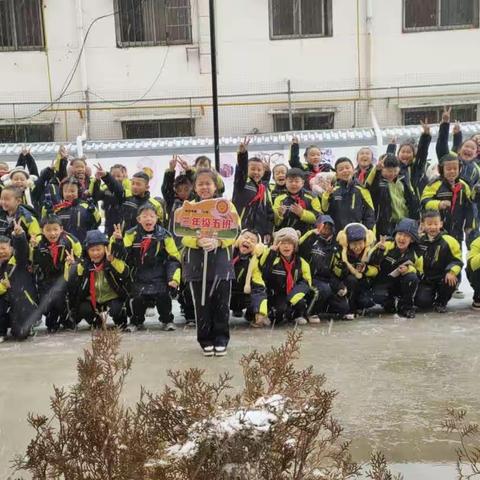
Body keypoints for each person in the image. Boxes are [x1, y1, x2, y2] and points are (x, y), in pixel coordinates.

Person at [182, 169, 238, 357]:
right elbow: (181, 235)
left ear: (216, 186)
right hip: (197, 263)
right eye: (200, 184)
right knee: (202, 303)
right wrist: (197, 241)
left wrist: (219, 241)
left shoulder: (227, 206)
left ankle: (221, 338)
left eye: (208, 183)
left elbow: (234, 231)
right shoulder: (188, 208)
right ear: (195, 187)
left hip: (221, 262)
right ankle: (205, 339)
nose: (204, 187)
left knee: (222, 302)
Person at [113, 204, 181, 332]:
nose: (148, 219)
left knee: (163, 296)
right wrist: (118, 242)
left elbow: (174, 259)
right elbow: (123, 256)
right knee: (137, 298)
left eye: (151, 216)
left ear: (156, 218)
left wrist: (173, 278)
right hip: (138, 275)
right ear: (139, 219)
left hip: (159, 275)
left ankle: (167, 320)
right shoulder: (130, 234)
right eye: (144, 216)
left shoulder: (165, 235)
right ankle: (135, 321)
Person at [66, 229, 130, 329]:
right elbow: (73, 281)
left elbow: (125, 273)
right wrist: (71, 266)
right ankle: (97, 321)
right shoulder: (84, 264)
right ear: (87, 251)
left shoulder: (111, 260)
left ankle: (120, 321)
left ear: (105, 249)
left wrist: (112, 261)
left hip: (111, 296)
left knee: (117, 309)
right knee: (84, 309)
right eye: (92, 250)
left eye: (98, 249)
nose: (96, 253)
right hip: (93, 298)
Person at [31, 215, 82, 332]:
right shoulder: (37, 241)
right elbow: (32, 261)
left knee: (61, 300)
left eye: (55, 229)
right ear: (42, 230)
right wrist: (34, 249)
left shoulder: (71, 240)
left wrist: (73, 262)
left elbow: (81, 258)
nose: (52, 233)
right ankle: (52, 321)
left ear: (61, 229)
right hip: (45, 278)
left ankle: (67, 319)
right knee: (46, 303)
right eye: (48, 230)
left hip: (64, 277)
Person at [299, 215, 350, 321]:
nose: (326, 230)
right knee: (324, 290)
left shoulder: (336, 247)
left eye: (328, 228)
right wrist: (312, 234)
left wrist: (340, 284)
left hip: (326, 279)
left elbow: (337, 273)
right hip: (309, 278)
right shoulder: (311, 239)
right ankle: (310, 313)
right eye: (323, 227)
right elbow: (299, 249)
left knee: (344, 307)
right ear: (318, 227)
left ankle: (324, 308)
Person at [259, 227, 312, 326]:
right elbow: (264, 274)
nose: (286, 246)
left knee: (300, 302)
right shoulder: (274, 259)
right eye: (283, 243)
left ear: (294, 246)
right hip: (276, 295)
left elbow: (306, 281)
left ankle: (297, 315)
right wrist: (271, 254)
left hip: (292, 293)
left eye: (289, 243)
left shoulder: (300, 262)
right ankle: (273, 315)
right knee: (279, 311)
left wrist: (293, 296)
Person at [370, 218, 421, 318]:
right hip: (384, 282)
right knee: (379, 297)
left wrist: (409, 269)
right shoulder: (386, 244)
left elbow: (420, 272)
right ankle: (388, 303)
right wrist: (379, 251)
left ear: (412, 239)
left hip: (401, 284)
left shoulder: (415, 253)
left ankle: (406, 307)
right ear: (395, 235)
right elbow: (371, 262)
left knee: (412, 278)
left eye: (406, 236)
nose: (402, 238)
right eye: (400, 234)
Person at [415, 210, 463, 313]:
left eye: (436, 224)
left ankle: (441, 302)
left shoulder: (449, 240)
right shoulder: (419, 241)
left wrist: (451, 271)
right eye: (429, 224)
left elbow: (458, 260)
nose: (432, 227)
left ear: (441, 224)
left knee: (450, 280)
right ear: (423, 225)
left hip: (443, 277)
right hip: (427, 279)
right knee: (421, 303)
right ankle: (429, 296)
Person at [421, 152, 474, 245]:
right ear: (441, 170)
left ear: (460, 169)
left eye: (455, 168)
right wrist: (438, 204)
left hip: (457, 229)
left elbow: (469, 207)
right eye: (448, 169)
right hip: (437, 228)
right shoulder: (434, 185)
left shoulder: (463, 186)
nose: (452, 171)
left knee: (456, 251)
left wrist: (469, 225)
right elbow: (424, 202)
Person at [0, 220, 40, 341]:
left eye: (3, 248)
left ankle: (26, 324)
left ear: (11, 249)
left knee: (21, 334)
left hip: (21, 303)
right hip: (4, 303)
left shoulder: (19, 261)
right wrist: (2, 286)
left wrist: (19, 235)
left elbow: (22, 250)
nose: (1, 252)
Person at [366, 154, 419, 237]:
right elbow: (368, 186)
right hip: (386, 224)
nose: (392, 174)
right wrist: (376, 170)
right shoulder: (378, 182)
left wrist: (417, 218)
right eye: (389, 171)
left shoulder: (403, 180)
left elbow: (412, 199)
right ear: (382, 169)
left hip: (405, 221)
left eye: (395, 171)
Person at [233, 138, 274, 243]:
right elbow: (241, 171)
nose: (256, 172)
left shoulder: (264, 189)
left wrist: (268, 231)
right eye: (253, 169)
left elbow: (269, 212)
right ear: (247, 169)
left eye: (259, 170)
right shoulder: (242, 183)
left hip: (258, 233)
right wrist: (243, 155)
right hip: (240, 229)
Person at [332, 223, 377, 315]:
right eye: (354, 244)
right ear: (347, 243)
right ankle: (350, 307)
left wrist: (366, 270)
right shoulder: (339, 253)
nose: (357, 247)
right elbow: (334, 273)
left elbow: (376, 270)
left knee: (367, 302)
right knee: (351, 280)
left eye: (360, 243)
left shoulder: (370, 252)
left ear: (366, 241)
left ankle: (360, 303)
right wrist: (345, 268)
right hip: (346, 284)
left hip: (363, 284)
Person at [322, 157, 375, 232]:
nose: (345, 171)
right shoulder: (333, 191)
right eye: (341, 169)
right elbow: (325, 210)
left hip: (358, 234)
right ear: (336, 174)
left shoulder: (362, 189)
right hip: (339, 234)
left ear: (353, 170)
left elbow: (370, 213)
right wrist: (327, 195)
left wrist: (369, 232)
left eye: (347, 168)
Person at [99, 170, 164, 231]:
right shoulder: (126, 196)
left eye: (138, 184)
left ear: (147, 187)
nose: (134, 186)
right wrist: (106, 176)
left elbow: (160, 227)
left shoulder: (155, 205)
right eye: (133, 183)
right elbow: (116, 187)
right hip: (126, 239)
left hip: (146, 240)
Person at [230, 229, 268, 328]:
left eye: (252, 240)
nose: (248, 241)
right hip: (226, 296)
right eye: (246, 237)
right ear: (238, 239)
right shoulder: (227, 253)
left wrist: (260, 311)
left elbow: (259, 287)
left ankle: (252, 315)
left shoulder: (255, 262)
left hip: (243, 297)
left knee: (257, 296)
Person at [46, 177, 101, 243]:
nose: (69, 194)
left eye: (72, 191)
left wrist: (93, 211)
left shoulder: (86, 206)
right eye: (66, 191)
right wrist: (48, 212)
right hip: (65, 246)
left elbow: (98, 222)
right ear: (61, 193)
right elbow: (49, 225)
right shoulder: (58, 209)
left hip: (83, 245)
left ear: (78, 191)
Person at [273, 168, 321, 235]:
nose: (293, 184)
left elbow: (318, 218)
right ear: (286, 182)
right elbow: (276, 223)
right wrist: (279, 214)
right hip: (286, 237)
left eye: (297, 181)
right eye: (290, 181)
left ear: (302, 182)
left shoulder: (312, 197)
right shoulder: (279, 198)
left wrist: (302, 213)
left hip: (306, 235)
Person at [91, 163, 131, 237]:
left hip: (124, 225)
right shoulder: (106, 188)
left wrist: (106, 176)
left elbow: (118, 189)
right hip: (109, 224)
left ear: (124, 176)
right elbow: (96, 196)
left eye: (118, 176)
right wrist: (97, 180)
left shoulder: (128, 189)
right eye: (113, 176)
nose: (116, 178)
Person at [466, 233, 480, 310]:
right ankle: (478, 295)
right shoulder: (477, 242)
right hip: (476, 271)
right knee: (474, 269)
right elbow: (472, 265)